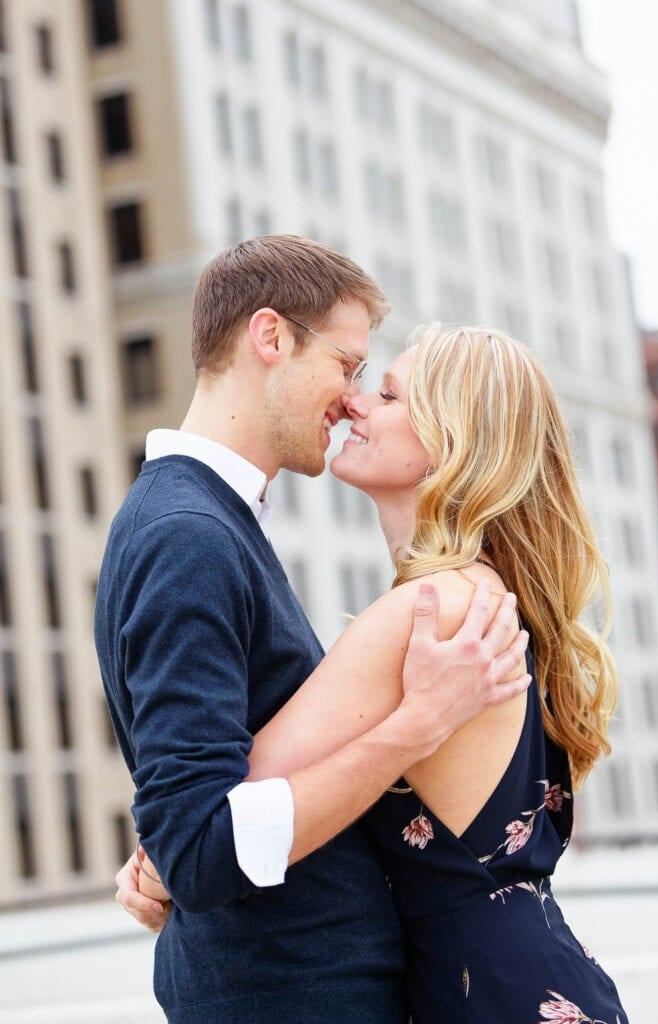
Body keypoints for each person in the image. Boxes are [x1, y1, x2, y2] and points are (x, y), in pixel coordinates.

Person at [130, 324, 629, 1023]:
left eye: (388, 394)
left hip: (482, 997)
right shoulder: (479, 594)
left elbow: (216, 815)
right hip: (525, 980)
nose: (357, 404)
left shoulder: (424, 614)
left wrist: (160, 859)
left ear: (450, 441)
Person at [95, 236, 530, 1024]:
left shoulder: (209, 526)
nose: (350, 398)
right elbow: (201, 842)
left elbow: (195, 811)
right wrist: (416, 726)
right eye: (347, 365)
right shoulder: (188, 535)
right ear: (270, 337)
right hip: (293, 997)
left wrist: (168, 849)